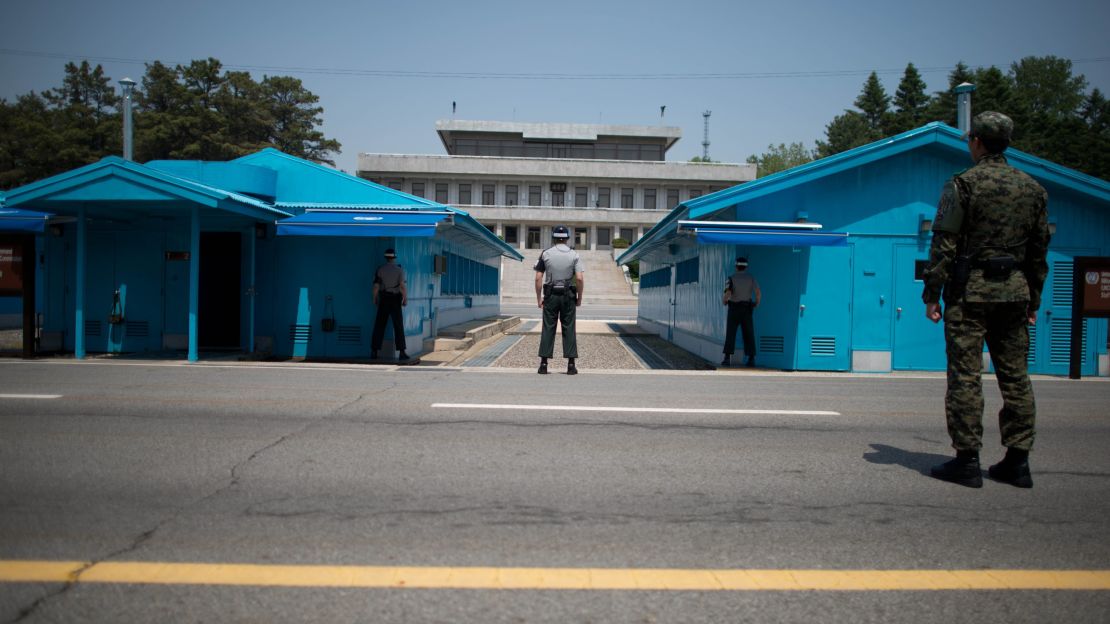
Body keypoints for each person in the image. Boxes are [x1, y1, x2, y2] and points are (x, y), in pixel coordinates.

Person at [922, 111, 1050, 489]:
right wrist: (1034, 299)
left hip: (970, 294)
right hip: (1014, 293)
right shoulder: (1033, 190)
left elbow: (943, 243)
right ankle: (1018, 461)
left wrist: (932, 293)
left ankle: (967, 459)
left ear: (976, 141)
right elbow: (1039, 252)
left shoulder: (963, 184)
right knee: (1016, 378)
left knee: (965, 376)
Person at [535, 225, 584, 375]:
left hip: (550, 295)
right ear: (567, 238)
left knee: (548, 327)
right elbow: (580, 279)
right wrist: (579, 298)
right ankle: (570, 365)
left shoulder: (545, 254)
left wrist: (539, 299)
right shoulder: (574, 255)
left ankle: (543, 364)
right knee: (569, 328)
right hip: (568, 295)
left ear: (554, 238)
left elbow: (538, 277)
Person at [721, 256, 761, 367]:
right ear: (746, 267)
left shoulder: (731, 278)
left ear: (736, 266)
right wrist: (756, 303)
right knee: (748, 333)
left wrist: (724, 301)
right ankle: (751, 358)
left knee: (731, 333)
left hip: (734, 308)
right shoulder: (751, 278)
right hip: (747, 309)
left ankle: (727, 358)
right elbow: (758, 292)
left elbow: (728, 293)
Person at [370, 248, 408, 361]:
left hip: (384, 299)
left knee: (379, 325)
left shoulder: (380, 269)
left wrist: (375, 298)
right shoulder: (399, 270)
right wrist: (405, 298)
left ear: (386, 257)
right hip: (395, 299)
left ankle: (374, 351)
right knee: (398, 326)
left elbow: (376, 286)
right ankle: (402, 352)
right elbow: (402, 286)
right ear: (394, 257)